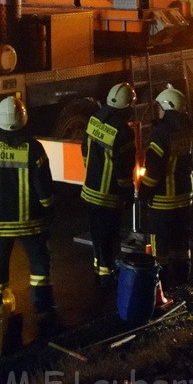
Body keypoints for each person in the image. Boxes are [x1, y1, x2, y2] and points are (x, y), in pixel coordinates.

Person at [0, 95, 56, 316]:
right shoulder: (34, 148)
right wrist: (48, 205)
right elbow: (43, 186)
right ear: (23, 120)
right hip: (30, 222)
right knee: (39, 261)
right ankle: (42, 305)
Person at [140, 85, 193, 288]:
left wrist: (143, 193)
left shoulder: (160, 133)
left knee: (161, 248)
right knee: (181, 243)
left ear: (168, 106)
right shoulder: (191, 129)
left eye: (159, 107)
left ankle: (162, 286)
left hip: (162, 201)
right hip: (185, 198)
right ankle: (183, 280)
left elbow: (153, 171)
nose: (158, 111)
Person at [80, 82, 138, 291]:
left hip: (90, 191)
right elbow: (124, 170)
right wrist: (128, 192)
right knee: (109, 236)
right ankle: (106, 277)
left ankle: (99, 270)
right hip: (108, 195)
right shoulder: (123, 132)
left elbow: (84, 148)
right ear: (127, 106)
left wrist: (90, 169)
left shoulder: (95, 119)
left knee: (97, 235)